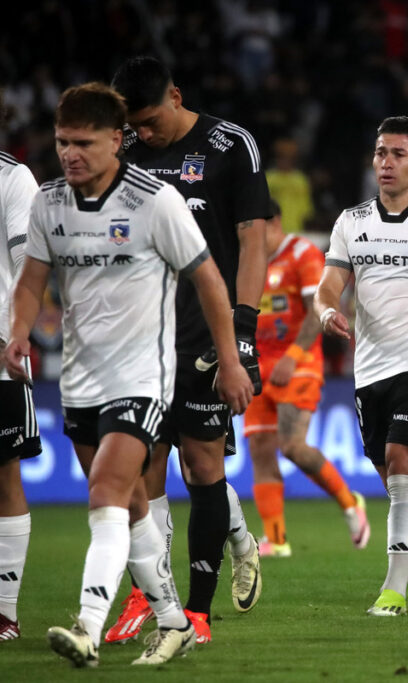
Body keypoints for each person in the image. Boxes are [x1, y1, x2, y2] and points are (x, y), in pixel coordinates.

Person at [4, 82, 252, 667]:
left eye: (84, 143)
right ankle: (171, 618)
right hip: (81, 380)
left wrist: (233, 359)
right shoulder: (48, 203)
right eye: (63, 142)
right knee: (134, 505)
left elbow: (210, 281)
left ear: (117, 140)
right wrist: (18, 331)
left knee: (107, 491)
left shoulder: (154, 201)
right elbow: (32, 280)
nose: (71, 154)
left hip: (144, 376)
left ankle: (86, 625)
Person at [107, 56, 270, 644]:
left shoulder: (231, 145)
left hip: (205, 336)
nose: (142, 134)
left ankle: (197, 612)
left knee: (202, 467)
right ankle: (146, 597)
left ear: (176, 96)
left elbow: (254, 239)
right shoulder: (120, 150)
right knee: (138, 475)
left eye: (149, 121)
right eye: (134, 125)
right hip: (139, 337)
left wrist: (244, 333)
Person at [316, 116, 408, 616]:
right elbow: (330, 285)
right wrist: (326, 311)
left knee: (404, 467)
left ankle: (393, 592)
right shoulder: (351, 221)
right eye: (380, 153)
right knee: (399, 482)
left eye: (398, 153)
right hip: (370, 367)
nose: (386, 162)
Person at [244, 199, 369, 558]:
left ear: (275, 222)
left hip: (297, 365)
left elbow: (317, 311)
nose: (249, 236)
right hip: (256, 367)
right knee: (261, 453)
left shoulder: (302, 255)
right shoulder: (248, 260)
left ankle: (350, 502)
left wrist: (293, 356)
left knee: (292, 446)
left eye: (255, 227)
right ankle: (277, 539)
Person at [0, 107, 42, 642]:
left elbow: (27, 270)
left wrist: (12, 336)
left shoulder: (13, 178)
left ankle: (4, 610)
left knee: (3, 474)